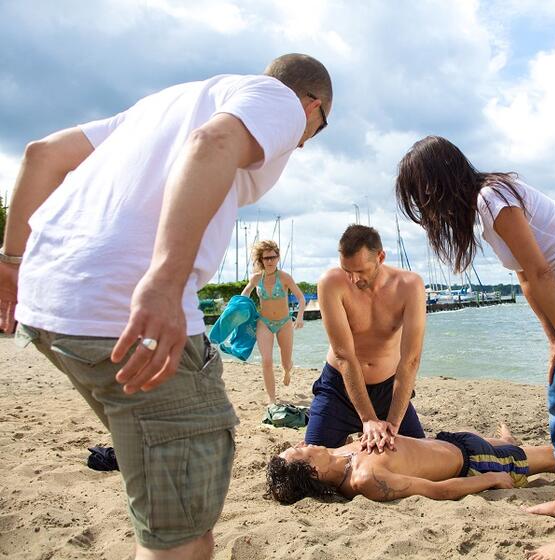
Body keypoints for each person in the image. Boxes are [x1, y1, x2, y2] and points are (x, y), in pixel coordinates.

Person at [0, 53, 332, 559]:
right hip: (119, 308)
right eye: (319, 127)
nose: (307, 140)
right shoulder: (281, 100)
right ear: (313, 105)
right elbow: (211, 143)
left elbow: (42, 153)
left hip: (50, 309)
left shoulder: (160, 105)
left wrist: (10, 263)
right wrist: (163, 280)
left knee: (157, 480)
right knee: (183, 532)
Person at [395, 136, 555, 560]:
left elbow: (543, 272)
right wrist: (553, 340)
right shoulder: (484, 210)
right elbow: (526, 278)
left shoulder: (493, 197)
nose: (426, 208)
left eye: (423, 195)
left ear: (439, 181)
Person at [268, 426, 555, 503]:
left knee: (517, 446)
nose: (305, 443)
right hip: (474, 462)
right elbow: (437, 490)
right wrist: (490, 481)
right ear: (313, 472)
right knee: (550, 458)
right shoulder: (367, 480)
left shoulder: (340, 453)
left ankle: (507, 441)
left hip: (452, 441)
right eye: (300, 451)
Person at [305, 224, 427, 452]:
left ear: (380, 257)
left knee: (421, 454)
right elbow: (343, 355)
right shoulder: (330, 283)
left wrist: (392, 424)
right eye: (347, 270)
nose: (353, 278)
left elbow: (410, 360)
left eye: (361, 271)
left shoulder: (410, 285)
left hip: (388, 391)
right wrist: (368, 420)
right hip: (339, 387)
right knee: (313, 463)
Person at [241, 240, 305, 403]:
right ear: (261, 260)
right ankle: (272, 399)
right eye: (266, 258)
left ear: (278, 258)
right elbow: (245, 294)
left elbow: (300, 298)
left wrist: (299, 317)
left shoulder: (284, 277)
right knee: (267, 360)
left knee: (285, 361)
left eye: (273, 257)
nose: (269, 261)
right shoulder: (256, 278)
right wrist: (239, 309)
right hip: (264, 323)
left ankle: (286, 370)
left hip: (284, 323)